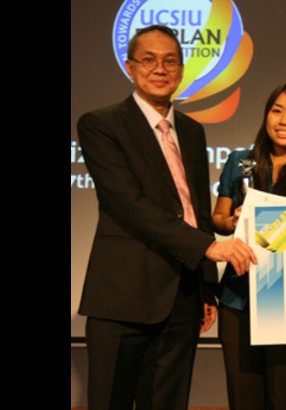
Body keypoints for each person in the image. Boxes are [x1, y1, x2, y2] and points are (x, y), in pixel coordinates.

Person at [76, 25, 257, 410]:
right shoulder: (100, 124)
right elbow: (129, 203)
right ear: (129, 67)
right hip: (123, 296)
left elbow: (197, 210)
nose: (160, 68)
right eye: (148, 59)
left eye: (170, 61)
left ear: (180, 70)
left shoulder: (191, 131)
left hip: (181, 298)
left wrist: (206, 286)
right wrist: (209, 248)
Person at [211, 81, 286, 410]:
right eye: (277, 110)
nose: (284, 120)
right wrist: (233, 220)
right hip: (238, 297)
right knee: (244, 396)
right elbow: (218, 218)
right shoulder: (241, 162)